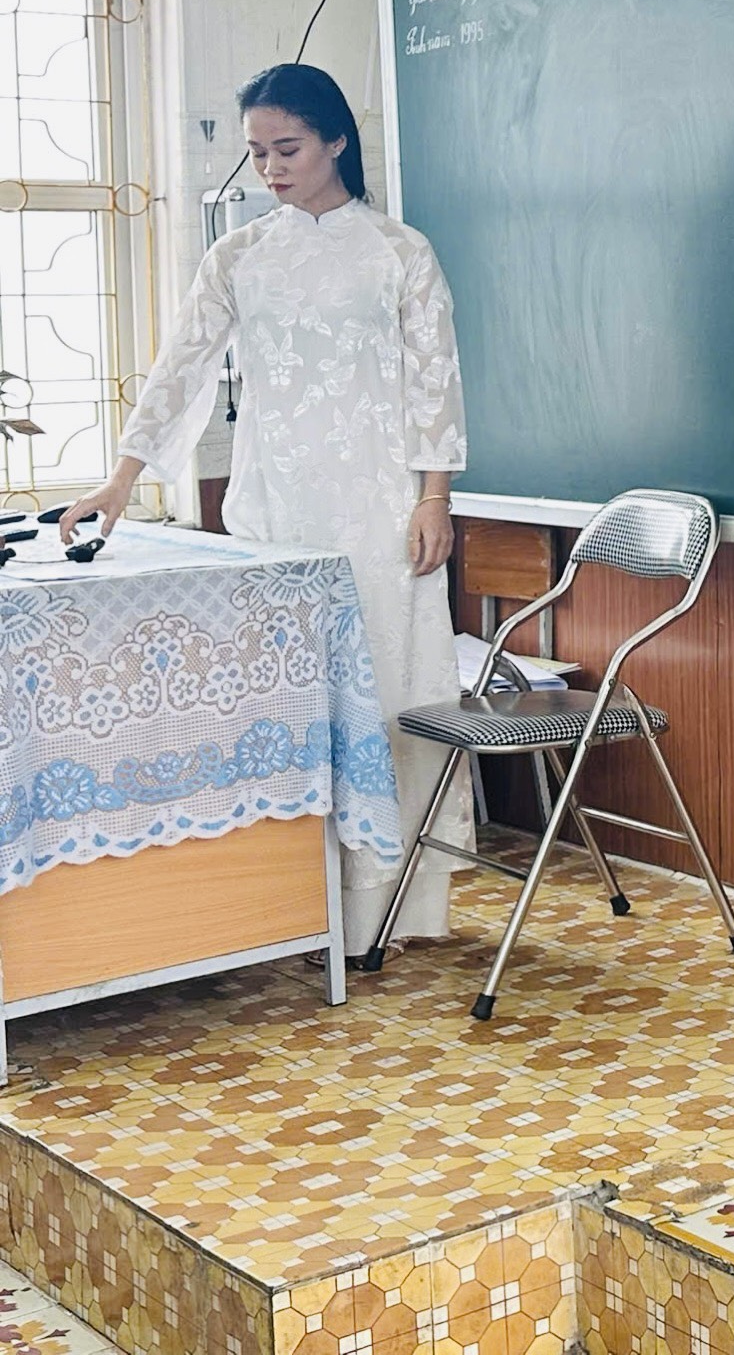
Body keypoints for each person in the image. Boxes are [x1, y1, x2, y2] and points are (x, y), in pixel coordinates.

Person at [58, 63, 470, 956]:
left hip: (379, 512)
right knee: (282, 705)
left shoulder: (401, 252)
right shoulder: (239, 256)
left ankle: (389, 909)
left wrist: (434, 497)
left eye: (288, 148)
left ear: (336, 141)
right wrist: (122, 480)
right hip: (272, 513)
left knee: (387, 689)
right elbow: (180, 368)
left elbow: (436, 384)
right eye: (257, 153)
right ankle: (284, 911)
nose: (271, 169)